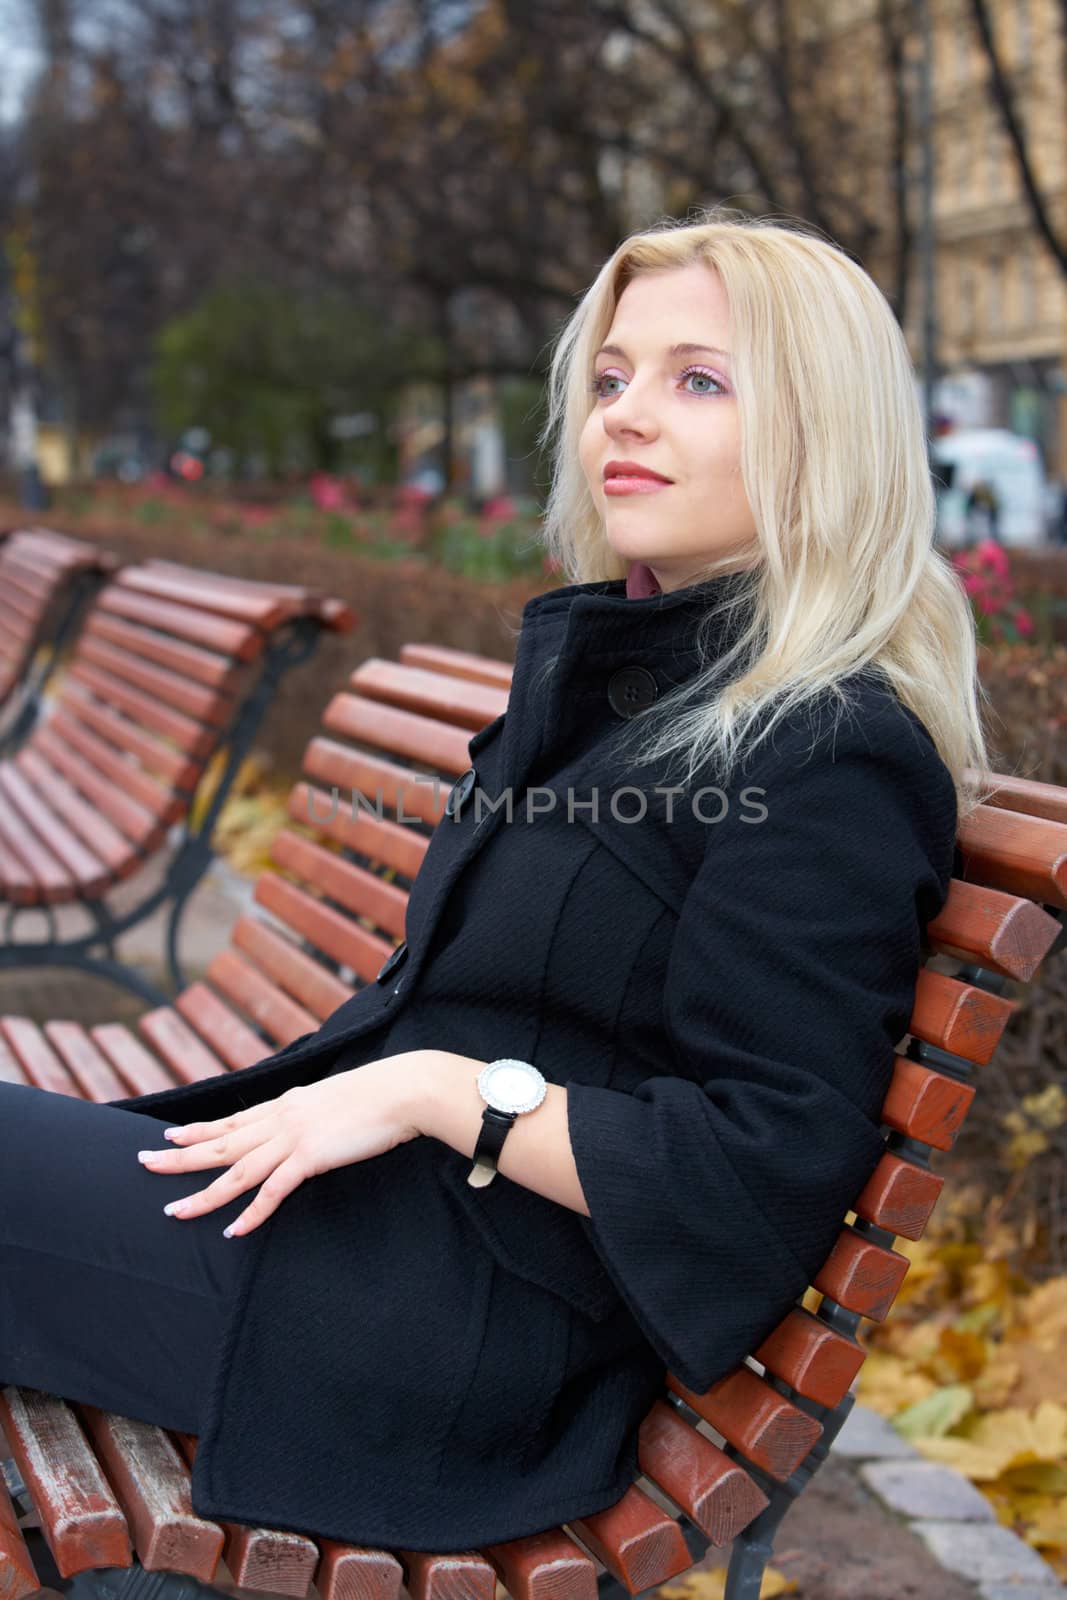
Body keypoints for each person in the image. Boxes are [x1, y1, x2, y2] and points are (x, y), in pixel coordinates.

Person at [0, 207, 994, 1556]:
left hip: (447, 1329)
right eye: (610, 377)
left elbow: (757, 1168)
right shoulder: (634, 680)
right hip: (356, 1245)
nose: (626, 418)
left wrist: (436, 1093)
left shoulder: (829, 749)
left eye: (698, 380)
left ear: (830, 429)